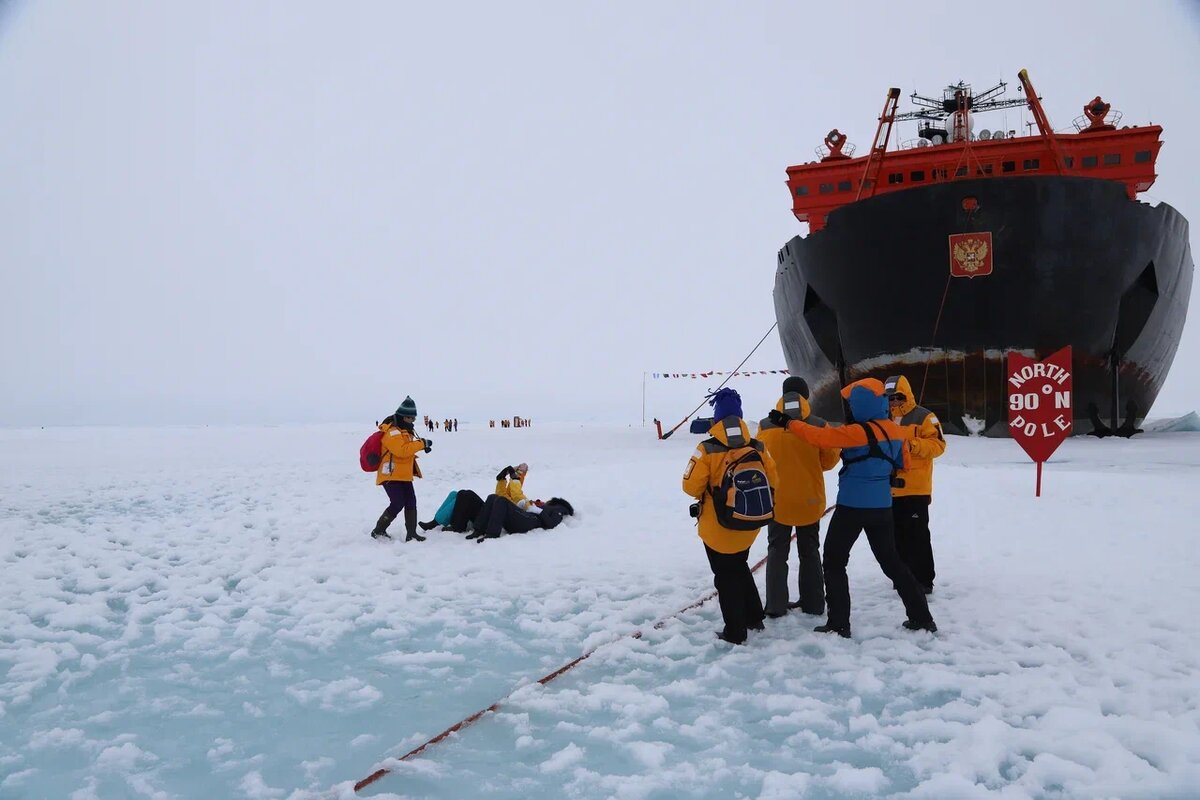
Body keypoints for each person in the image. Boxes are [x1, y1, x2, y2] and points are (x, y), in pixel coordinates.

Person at [769, 378, 936, 638]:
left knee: (834, 561)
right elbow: (904, 463)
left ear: (859, 405)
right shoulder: (895, 431)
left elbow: (820, 437)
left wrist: (789, 423)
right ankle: (921, 617)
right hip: (882, 506)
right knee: (892, 562)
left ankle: (839, 623)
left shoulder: (855, 432)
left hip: (851, 506)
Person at [683, 388, 778, 645]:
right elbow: (774, 480)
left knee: (725, 577)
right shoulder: (758, 446)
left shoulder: (706, 449)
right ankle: (754, 616)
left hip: (718, 527)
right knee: (739, 565)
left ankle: (735, 632)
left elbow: (690, 487)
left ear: (717, 418)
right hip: (750, 523)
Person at [756, 376, 840, 618]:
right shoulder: (819, 424)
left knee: (776, 551)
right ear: (805, 397)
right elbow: (830, 460)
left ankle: (775, 605)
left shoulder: (764, 425)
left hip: (777, 502)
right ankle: (814, 604)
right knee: (810, 550)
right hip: (809, 500)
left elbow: (761, 461)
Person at [884, 375, 946, 595]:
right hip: (890, 489)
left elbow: (938, 445)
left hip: (916, 489)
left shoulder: (924, 417)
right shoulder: (883, 418)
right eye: (889, 398)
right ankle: (901, 577)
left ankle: (923, 580)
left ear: (906, 395)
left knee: (918, 536)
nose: (893, 402)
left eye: (897, 397)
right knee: (895, 536)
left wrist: (912, 446)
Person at [369, 396, 432, 542]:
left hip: (403, 474)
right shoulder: (392, 431)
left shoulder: (405, 431)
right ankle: (378, 530)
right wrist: (421, 443)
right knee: (397, 503)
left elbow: (406, 450)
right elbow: (401, 450)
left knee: (411, 502)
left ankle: (412, 534)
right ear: (403, 416)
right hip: (390, 474)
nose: (412, 421)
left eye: (414, 418)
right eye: (410, 417)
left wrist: (422, 445)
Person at [468, 496, 575, 540]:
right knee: (493, 497)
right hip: (523, 518)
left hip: (529, 521)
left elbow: (552, 523)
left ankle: (492, 534)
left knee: (501, 500)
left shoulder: (560, 509)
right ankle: (479, 529)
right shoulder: (547, 507)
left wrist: (537, 510)